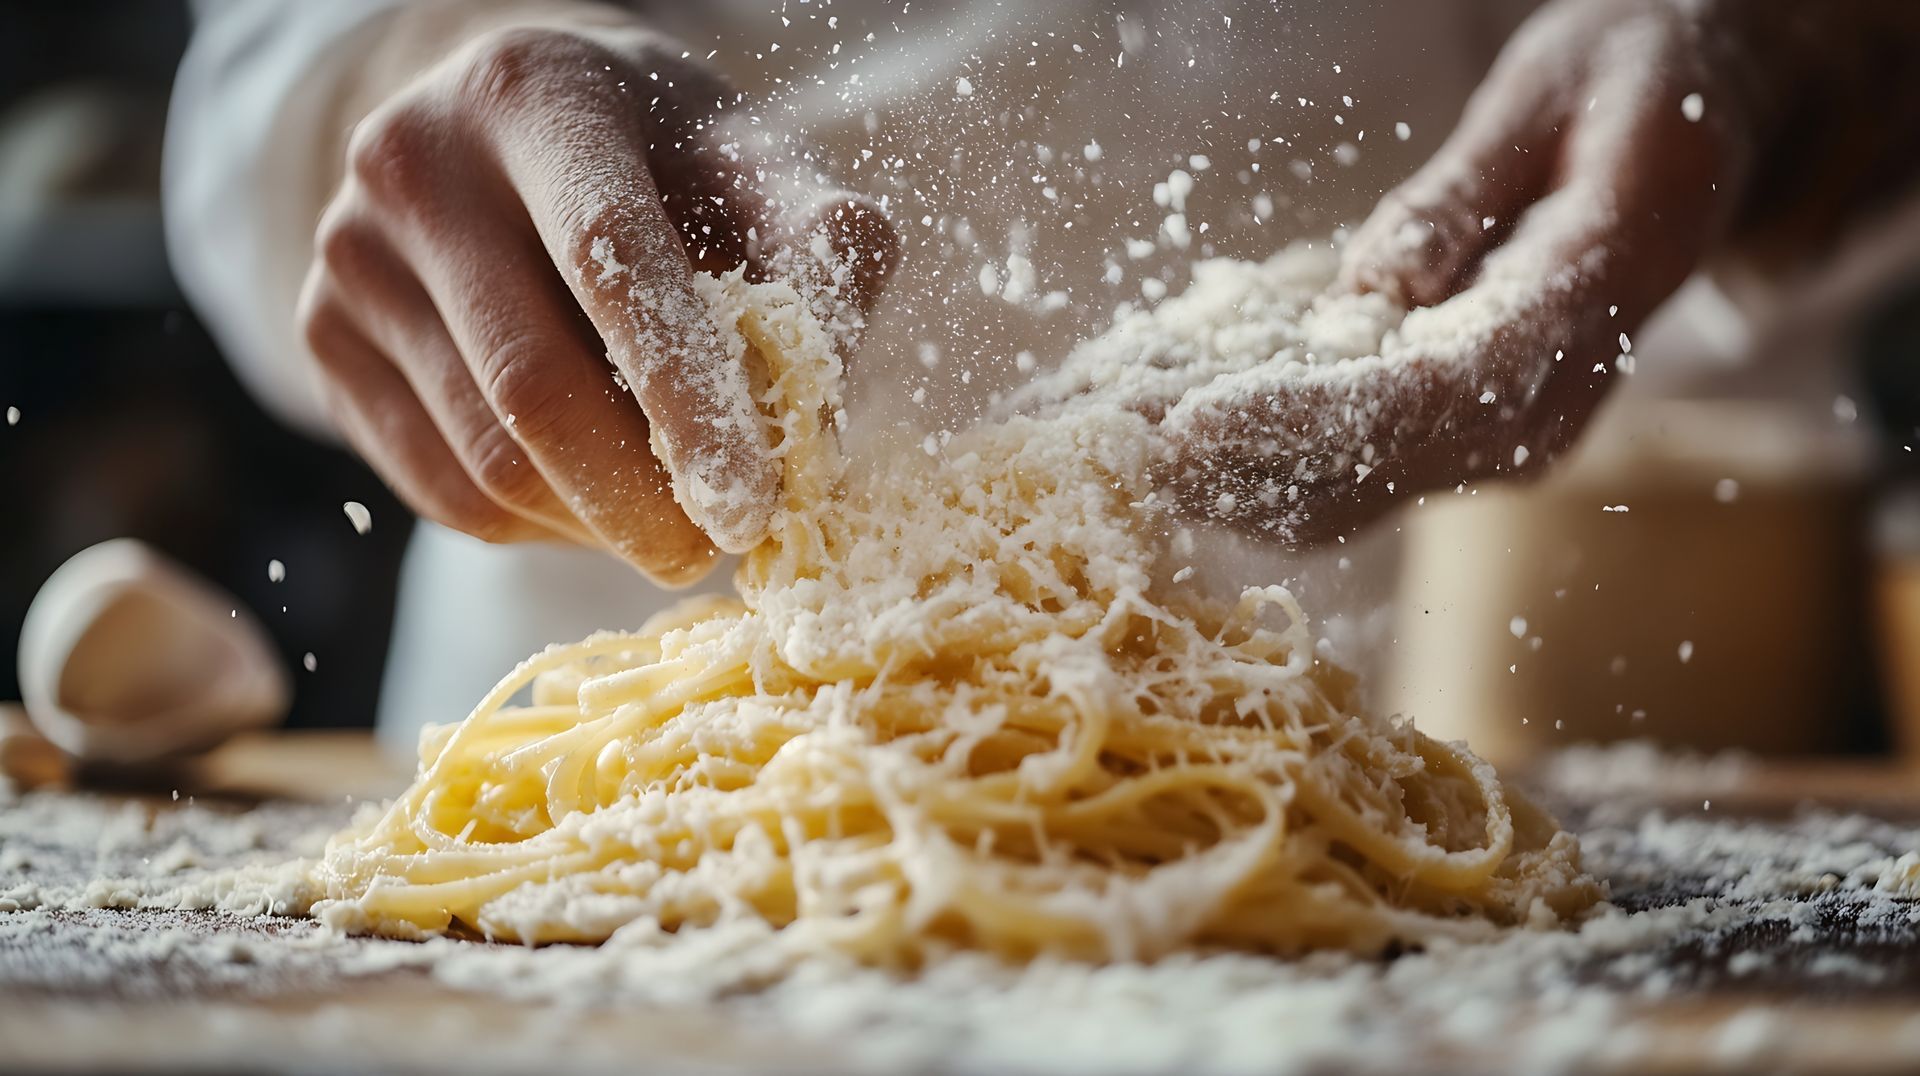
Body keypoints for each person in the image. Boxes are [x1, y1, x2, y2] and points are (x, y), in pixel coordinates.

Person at [167, 0, 1920, 749]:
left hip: (1369, 762)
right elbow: (288, 50)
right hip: (619, 786)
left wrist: (1767, 43)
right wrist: (438, 70)